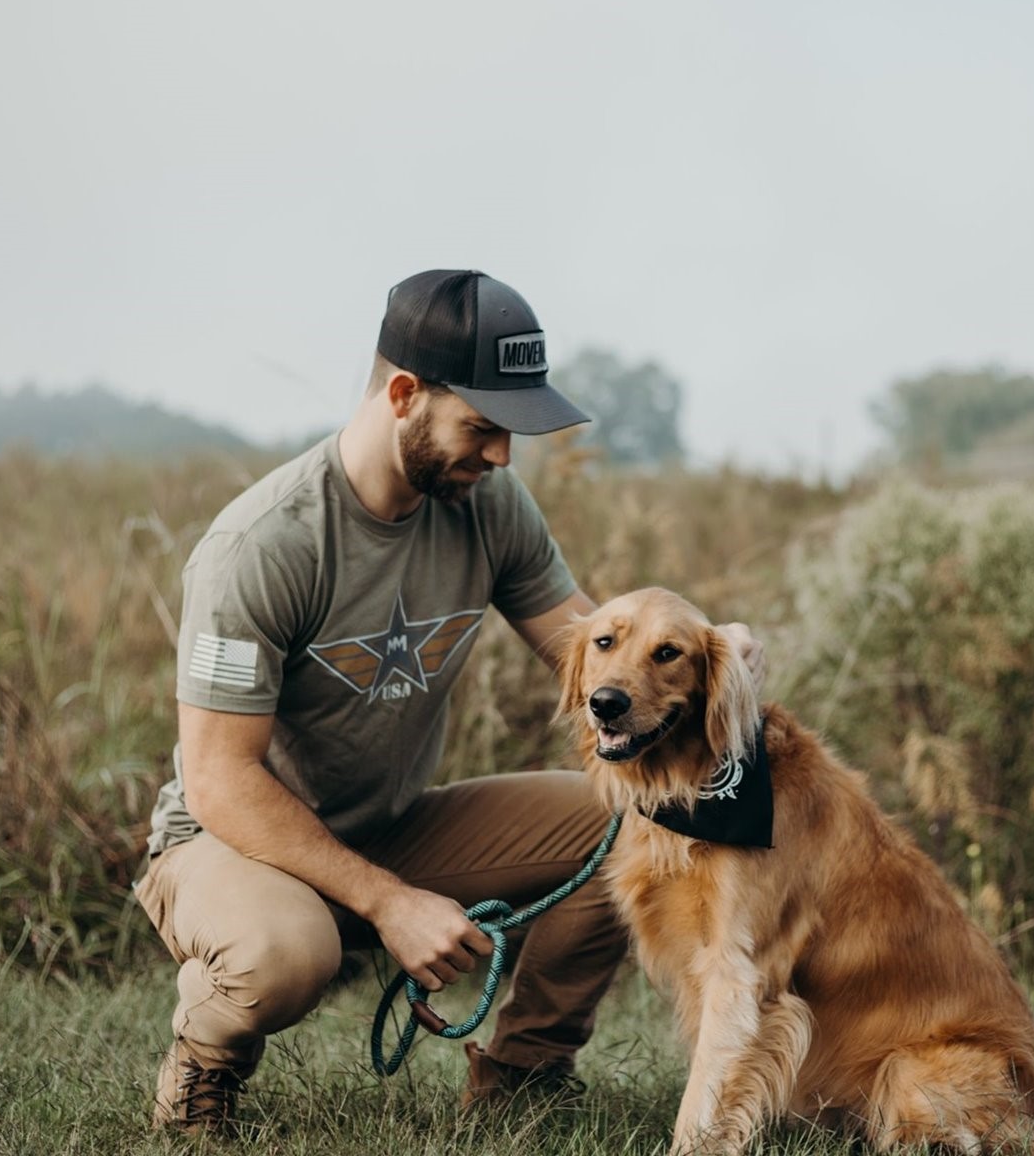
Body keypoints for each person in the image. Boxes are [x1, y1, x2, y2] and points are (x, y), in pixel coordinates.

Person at [132, 268, 760, 1132]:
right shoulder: (263, 546)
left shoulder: (487, 504)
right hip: (232, 843)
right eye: (483, 427)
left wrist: (706, 663)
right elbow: (218, 781)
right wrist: (389, 903)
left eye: (512, 434)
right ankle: (203, 1071)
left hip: (386, 825)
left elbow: (589, 658)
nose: (502, 455)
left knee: (626, 818)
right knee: (286, 956)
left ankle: (520, 1081)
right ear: (403, 394)